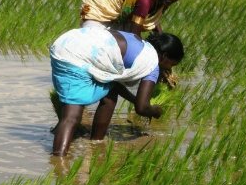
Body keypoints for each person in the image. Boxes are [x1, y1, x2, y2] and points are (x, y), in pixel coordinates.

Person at [50, 26, 184, 156]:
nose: (169, 70)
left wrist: (134, 99)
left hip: (68, 41)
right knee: (72, 117)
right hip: (76, 56)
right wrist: (156, 110)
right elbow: (142, 108)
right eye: (171, 64)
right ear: (165, 56)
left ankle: (96, 140)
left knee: (110, 94)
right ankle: (59, 163)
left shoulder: (138, 42)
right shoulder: (152, 63)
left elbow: (113, 84)